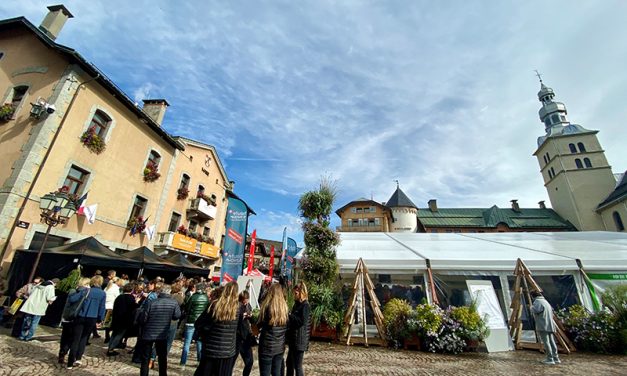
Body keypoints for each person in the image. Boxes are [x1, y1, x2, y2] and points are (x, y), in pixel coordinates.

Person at [194, 281, 240, 376]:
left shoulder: (215, 305)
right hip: (227, 351)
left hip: (211, 348)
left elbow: (198, 323)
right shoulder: (238, 308)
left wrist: (206, 333)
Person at [137, 283, 181, 376]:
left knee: (145, 358)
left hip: (148, 332)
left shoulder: (151, 302)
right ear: (169, 292)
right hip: (162, 333)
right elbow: (177, 316)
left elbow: (143, 319)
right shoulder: (173, 303)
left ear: (159, 292)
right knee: (162, 357)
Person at [67, 275, 106, 369]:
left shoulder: (86, 290)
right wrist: (100, 319)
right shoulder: (102, 293)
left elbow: (72, 299)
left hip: (81, 316)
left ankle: (70, 362)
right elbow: (102, 307)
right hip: (92, 318)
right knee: (84, 338)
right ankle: (78, 358)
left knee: (76, 339)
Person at [257, 283, 289, 376]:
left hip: (266, 346)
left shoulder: (267, 307)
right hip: (279, 347)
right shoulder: (285, 309)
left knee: (265, 373)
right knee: (276, 373)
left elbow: (259, 324)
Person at [59, 277, 91, 364]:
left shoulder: (72, 291)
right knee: (73, 338)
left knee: (65, 336)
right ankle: (68, 354)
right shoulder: (85, 293)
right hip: (76, 318)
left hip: (67, 317)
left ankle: (62, 352)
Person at [180, 282, 209, 366]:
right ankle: (199, 361)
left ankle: (183, 363)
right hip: (200, 323)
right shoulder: (206, 298)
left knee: (187, 343)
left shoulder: (193, 297)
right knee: (199, 342)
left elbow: (187, 308)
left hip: (191, 321)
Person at [106, 283, 138, 356]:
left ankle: (110, 347)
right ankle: (111, 349)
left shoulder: (119, 297)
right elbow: (133, 309)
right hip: (124, 320)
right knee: (119, 335)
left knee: (114, 334)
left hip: (116, 318)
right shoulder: (131, 298)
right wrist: (136, 302)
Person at [286, 282, 310, 376]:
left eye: (296, 293)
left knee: (297, 366)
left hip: (300, 340)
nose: (294, 295)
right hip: (293, 339)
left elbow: (301, 321)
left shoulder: (305, 306)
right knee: (289, 363)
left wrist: (290, 316)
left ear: (301, 293)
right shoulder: (297, 304)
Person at [530, 291, 560, 365]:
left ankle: (550, 359)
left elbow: (536, 310)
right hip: (550, 324)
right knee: (552, 341)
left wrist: (531, 307)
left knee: (546, 342)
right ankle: (556, 358)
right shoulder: (545, 301)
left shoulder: (538, 302)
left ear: (533, 296)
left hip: (543, 325)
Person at [237, 290, 254, 376]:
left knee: (250, 362)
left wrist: (250, 315)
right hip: (239, 336)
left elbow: (251, 317)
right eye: (245, 299)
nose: (246, 301)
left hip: (247, 335)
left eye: (247, 299)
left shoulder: (248, 305)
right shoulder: (237, 306)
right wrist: (242, 316)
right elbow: (235, 321)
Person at [104, 277, 121, 343]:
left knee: (107, 323)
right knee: (111, 323)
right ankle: (110, 338)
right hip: (111, 306)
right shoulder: (116, 288)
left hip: (106, 306)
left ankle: (107, 336)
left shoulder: (107, 287)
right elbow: (118, 297)